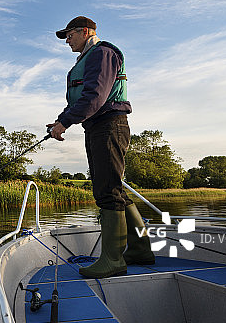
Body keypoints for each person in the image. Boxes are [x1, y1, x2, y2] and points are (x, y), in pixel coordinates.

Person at [46, 15, 154, 278]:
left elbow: (95, 96)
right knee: (113, 188)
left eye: (70, 35)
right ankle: (139, 250)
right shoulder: (88, 58)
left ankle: (112, 260)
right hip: (98, 127)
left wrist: (65, 123)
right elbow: (80, 100)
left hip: (109, 126)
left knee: (107, 192)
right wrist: (60, 120)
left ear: (85, 32)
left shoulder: (102, 53)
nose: (67, 40)